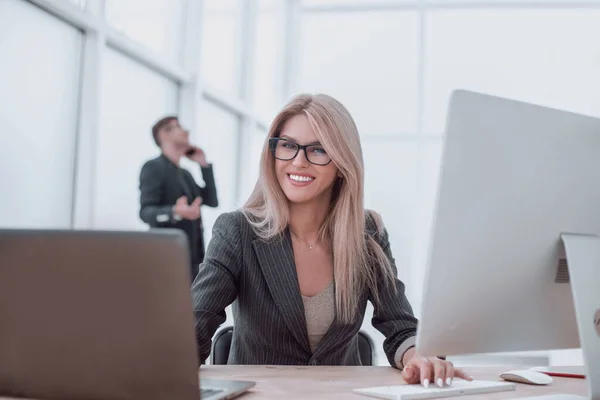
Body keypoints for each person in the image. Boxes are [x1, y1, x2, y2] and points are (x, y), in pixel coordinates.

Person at [192, 94, 470, 387]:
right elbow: (195, 326)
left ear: (342, 162)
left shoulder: (367, 233)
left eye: (318, 150)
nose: (299, 162)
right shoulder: (237, 231)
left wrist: (418, 357)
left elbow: (400, 326)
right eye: (287, 146)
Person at [139, 116, 218, 281]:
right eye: (178, 127)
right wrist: (175, 212)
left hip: (192, 260)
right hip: (166, 259)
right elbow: (145, 212)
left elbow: (212, 201)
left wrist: (203, 164)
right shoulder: (153, 167)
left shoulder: (185, 174)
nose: (186, 131)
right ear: (164, 135)